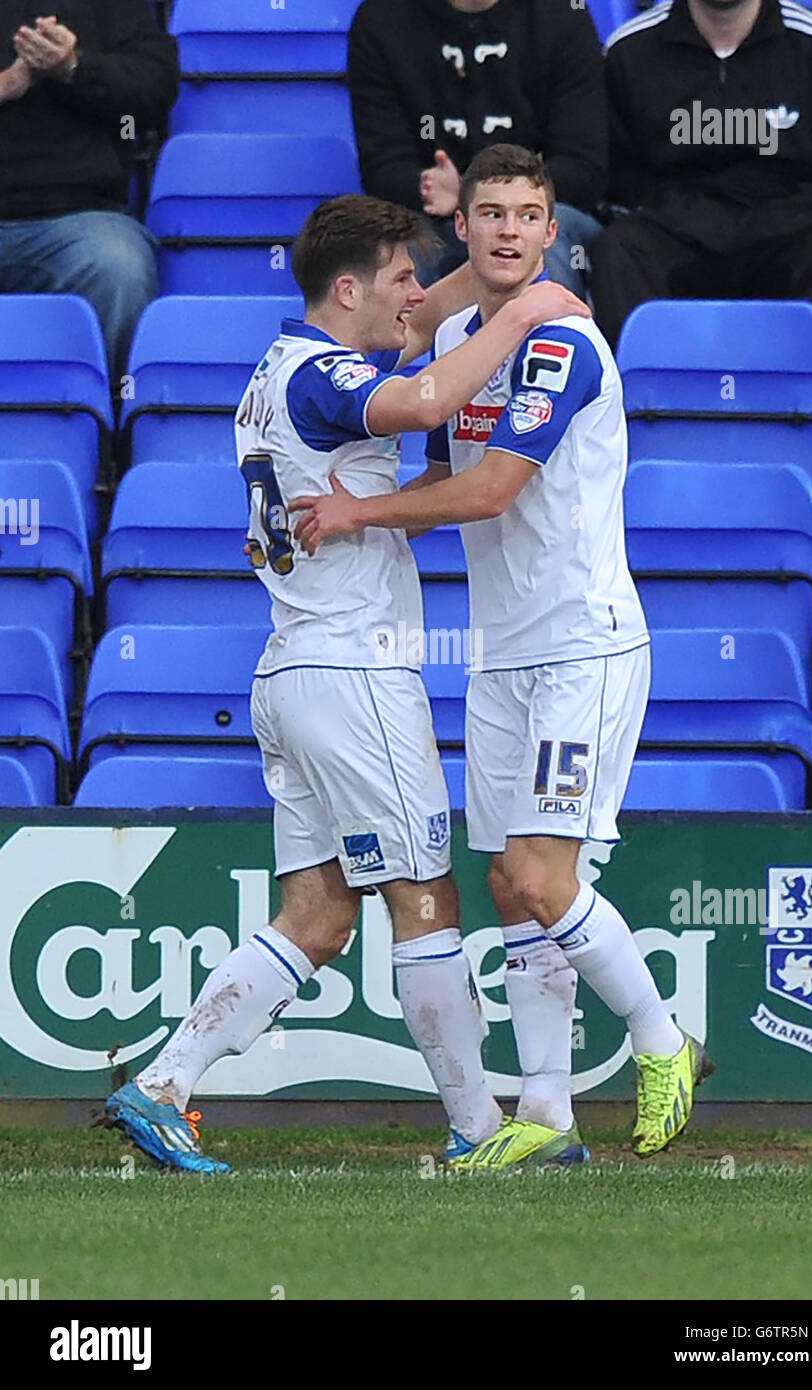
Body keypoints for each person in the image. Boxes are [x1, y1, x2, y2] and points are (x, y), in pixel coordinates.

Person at [105, 193, 589, 1173]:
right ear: (346, 290)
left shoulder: (283, 369)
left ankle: (162, 1084)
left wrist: (488, 279)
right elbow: (423, 402)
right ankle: (479, 1129)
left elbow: (406, 339)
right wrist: (523, 313)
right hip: (354, 672)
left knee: (320, 912)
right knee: (426, 894)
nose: (417, 294)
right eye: (401, 278)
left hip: (292, 672)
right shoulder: (327, 377)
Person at [292, 146, 715, 1168]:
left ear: (553, 226)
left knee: (542, 873)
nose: (511, 233)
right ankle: (548, 1116)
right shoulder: (471, 334)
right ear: (470, 226)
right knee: (505, 886)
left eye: (530, 215)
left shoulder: (561, 343)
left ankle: (665, 1042)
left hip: (583, 644)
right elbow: (448, 447)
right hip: (503, 654)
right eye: (491, 214)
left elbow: (488, 492)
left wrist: (361, 515)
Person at [590, 0, 812, 395]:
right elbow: (610, 173)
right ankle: (646, 416)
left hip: (792, 226)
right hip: (675, 229)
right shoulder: (629, 49)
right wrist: (663, 210)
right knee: (616, 251)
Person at [347, 0, 606, 296]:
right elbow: (383, 165)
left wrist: (480, 194)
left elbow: (584, 167)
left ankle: (549, 340)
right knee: (391, 260)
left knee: (540, 240)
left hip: (544, 205)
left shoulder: (561, 13)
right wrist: (425, 187)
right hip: (429, 214)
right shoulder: (383, 18)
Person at [0, 2, 178, 385]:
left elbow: (154, 90)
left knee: (119, 270)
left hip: (75, 217)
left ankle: (102, 431)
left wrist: (74, 67)